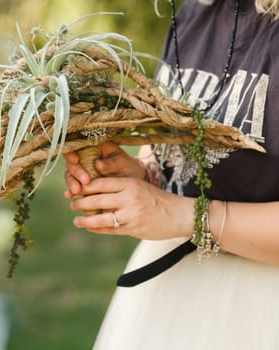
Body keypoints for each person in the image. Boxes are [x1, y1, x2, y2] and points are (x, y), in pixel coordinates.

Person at [63, 0, 279, 349]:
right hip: (168, 298)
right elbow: (166, 141)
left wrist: (181, 214)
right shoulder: (193, 13)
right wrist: (143, 176)